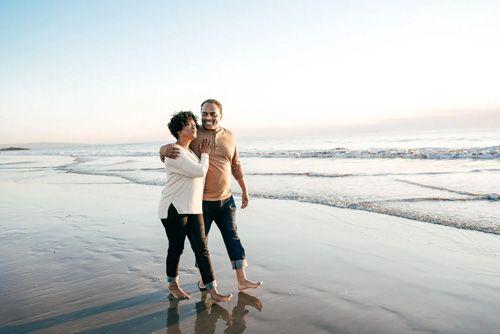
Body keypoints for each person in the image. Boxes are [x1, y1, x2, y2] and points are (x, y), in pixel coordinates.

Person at [160, 99, 262, 291]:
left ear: (220, 115)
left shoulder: (230, 136)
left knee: (233, 238)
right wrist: (162, 150)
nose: (208, 117)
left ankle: (242, 280)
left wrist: (245, 190)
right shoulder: (195, 133)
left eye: (212, 113)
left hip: (226, 198)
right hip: (201, 203)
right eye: (204, 113)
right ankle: (204, 280)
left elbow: (236, 165)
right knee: (201, 245)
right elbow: (178, 147)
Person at [159, 111, 232, 302]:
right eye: (188, 124)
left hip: (193, 208)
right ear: (178, 131)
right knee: (176, 247)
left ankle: (212, 289)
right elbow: (199, 171)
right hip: (174, 208)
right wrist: (206, 154)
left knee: (202, 248)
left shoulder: (190, 152)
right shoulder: (174, 152)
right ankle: (173, 285)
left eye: (194, 123)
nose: (193, 126)